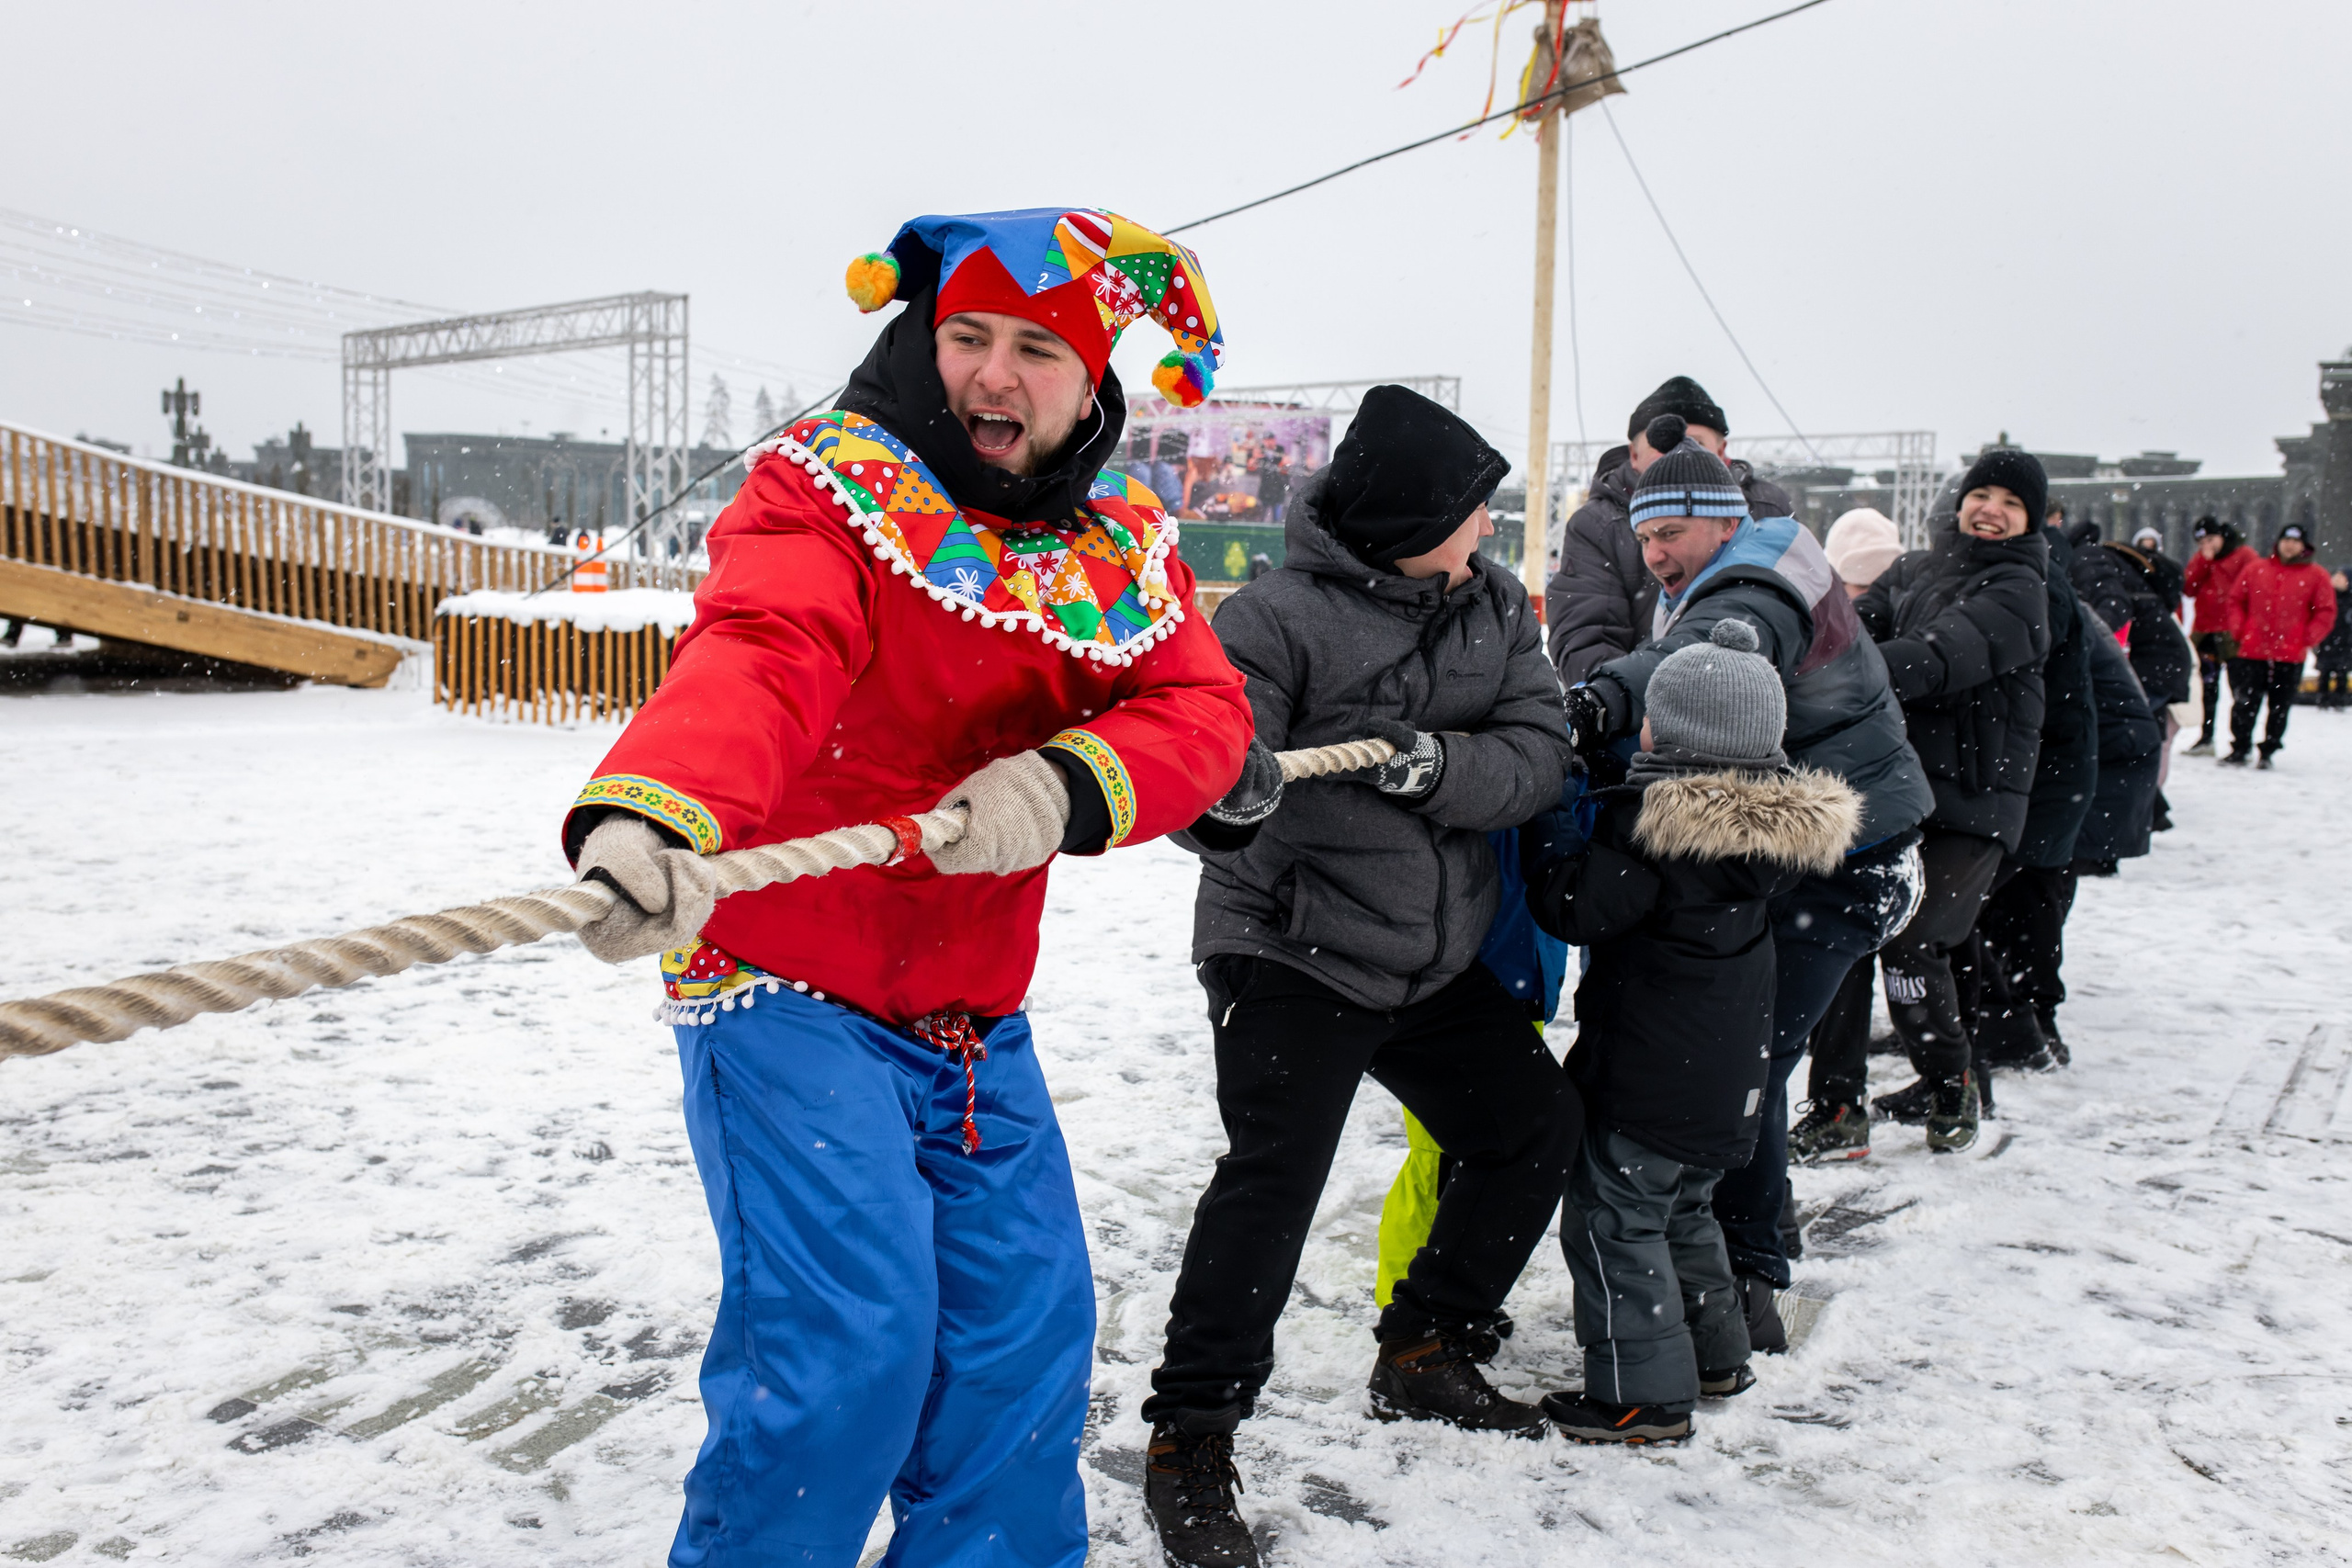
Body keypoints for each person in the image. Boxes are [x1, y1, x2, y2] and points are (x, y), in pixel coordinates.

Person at [560, 207, 1257, 1568]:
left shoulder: (1120, 541)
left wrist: (1068, 777)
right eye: (966, 336)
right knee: (850, 1350)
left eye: (1035, 349)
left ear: (1094, 377)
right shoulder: (830, 489)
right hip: (782, 982)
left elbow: (1201, 710)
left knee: (1026, 1338)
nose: (993, 375)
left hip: (969, 1012)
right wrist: (659, 804)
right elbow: (769, 642)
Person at [1143, 385, 1579, 1568]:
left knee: (1532, 1127)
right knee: (1274, 1183)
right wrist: (1222, 804)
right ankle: (1190, 1440)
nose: (1488, 530)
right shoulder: (1271, 620)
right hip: (1290, 941)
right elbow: (1209, 775)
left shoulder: (1494, 605)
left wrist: (1436, 768)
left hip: (1427, 953)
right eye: (1471, 511)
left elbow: (1539, 754)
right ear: (1407, 521)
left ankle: (1425, 1346)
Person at [1566, 420, 1930, 1348]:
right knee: (1742, 1065)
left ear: (1720, 517)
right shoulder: (1769, 552)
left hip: (1841, 859)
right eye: (1642, 538)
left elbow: (1715, 656)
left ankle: (1753, 1283)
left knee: (1740, 1068)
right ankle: (1744, 1271)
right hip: (1848, 843)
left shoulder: (1747, 585)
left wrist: (1605, 699)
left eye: (1668, 535)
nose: (1652, 556)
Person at [1529, 619, 1861, 1442]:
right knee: (1683, 1212)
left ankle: (1641, 1397)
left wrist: (1550, 825)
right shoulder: (1759, 845)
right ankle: (1719, 1356)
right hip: (1723, 1082)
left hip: (1648, 1080)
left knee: (1615, 1221)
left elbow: (1569, 905)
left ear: (1667, 736)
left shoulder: (1655, 837)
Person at [1826, 450, 2054, 1156]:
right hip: (1899, 788)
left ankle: (1953, 1081)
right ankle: (1836, 1109)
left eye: (2009, 502)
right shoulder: (1916, 568)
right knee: (1840, 936)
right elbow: (1850, 623)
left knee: (1912, 942)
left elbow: (1937, 658)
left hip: (1974, 804)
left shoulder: (2021, 590)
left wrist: (1844, 671)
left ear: (2030, 520)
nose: (1990, 508)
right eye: (1980, 493)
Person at [1963, 515, 2096, 1096]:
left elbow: (2028, 679)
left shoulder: (2037, 579)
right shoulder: (2016, 571)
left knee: (2028, 895)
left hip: (2045, 767)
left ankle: (2029, 1023)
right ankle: (2005, 1018)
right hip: (2034, 764)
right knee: (2012, 898)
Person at [1544, 376, 1793, 682]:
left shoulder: (1767, 508)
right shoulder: (1596, 526)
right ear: (1634, 455)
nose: (1682, 454)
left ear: (1723, 449)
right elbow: (1585, 639)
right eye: (1664, 445)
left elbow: (1798, 624)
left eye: (1697, 443)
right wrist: (1636, 707)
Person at [2221, 521, 2338, 767]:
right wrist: (2239, 629)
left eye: (2295, 542)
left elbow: (2325, 611)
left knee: (2280, 705)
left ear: (2303, 546)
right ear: (2278, 542)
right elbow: (2236, 601)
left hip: (2290, 653)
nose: (2290, 546)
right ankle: (2240, 747)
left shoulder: (2316, 575)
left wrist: (2308, 637)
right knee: (2245, 702)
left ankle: (2268, 750)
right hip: (2253, 649)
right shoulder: (2256, 570)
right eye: (2286, 540)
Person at [2183, 516, 2257, 754]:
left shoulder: (2244, 555)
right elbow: (2189, 588)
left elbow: (2254, 587)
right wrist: (2204, 562)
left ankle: (2241, 742)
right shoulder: (2202, 558)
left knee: (2240, 688)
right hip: (2206, 631)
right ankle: (2206, 737)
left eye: (2211, 539)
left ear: (2222, 536)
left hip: (2234, 632)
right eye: (2201, 541)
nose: (2207, 545)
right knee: (2208, 688)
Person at [2129, 524, 2187, 617]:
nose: (2147, 554)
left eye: (2151, 549)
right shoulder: (2129, 571)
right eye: (2143, 549)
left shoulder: (2166, 572)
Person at [2315, 568, 2352, 708]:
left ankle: (2339, 700)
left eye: (2341, 578)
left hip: (2345, 642)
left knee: (2342, 673)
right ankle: (2322, 700)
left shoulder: (2349, 600)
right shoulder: (2325, 596)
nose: (2336, 580)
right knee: (2324, 672)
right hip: (2327, 640)